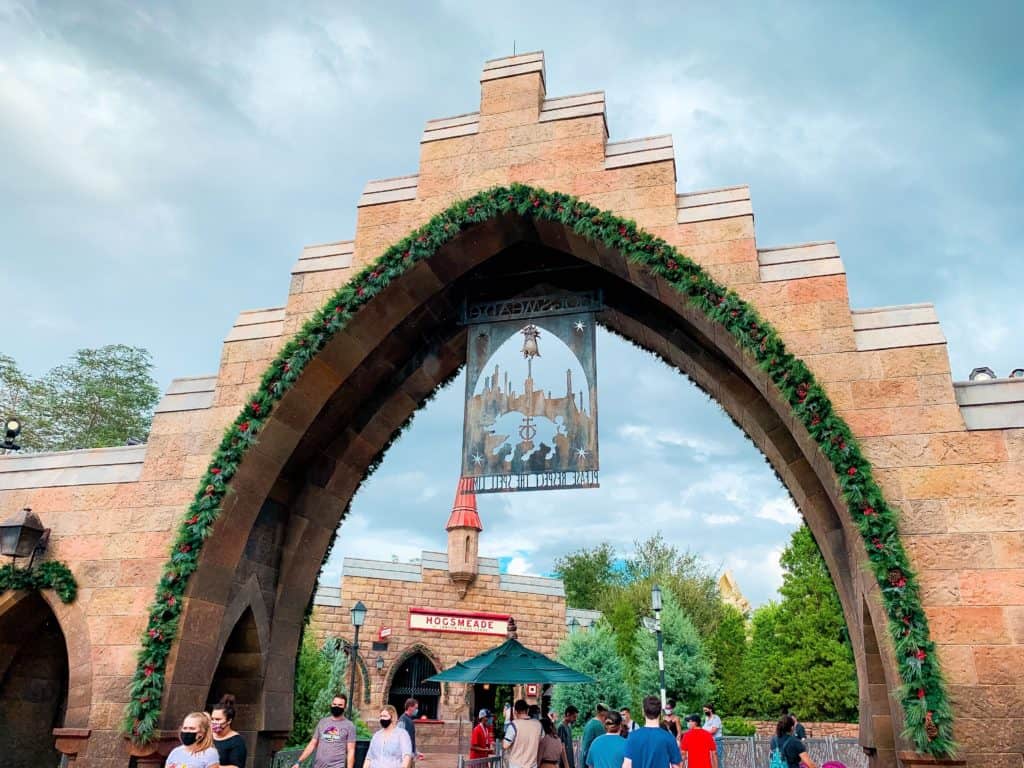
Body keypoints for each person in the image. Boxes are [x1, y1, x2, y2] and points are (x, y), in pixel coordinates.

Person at [293, 694, 356, 768]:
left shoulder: (349, 725)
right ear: (331, 704)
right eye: (334, 704)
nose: (336, 707)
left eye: (340, 705)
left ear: (345, 707)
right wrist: (298, 762)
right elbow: (312, 744)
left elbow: (351, 751)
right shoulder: (322, 722)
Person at [622, 696, 681, 768]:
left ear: (643, 712)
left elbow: (627, 765)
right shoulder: (669, 738)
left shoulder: (633, 736)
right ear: (660, 712)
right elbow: (676, 766)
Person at [503, 698, 544, 768]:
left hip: (515, 765)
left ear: (515, 712)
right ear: (527, 710)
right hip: (532, 765)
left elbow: (505, 745)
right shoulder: (538, 725)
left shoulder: (514, 725)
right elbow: (542, 742)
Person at [210, 694, 246, 768]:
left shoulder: (237, 742)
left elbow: (237, 766)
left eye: (218, 719)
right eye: (212, 719)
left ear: (229, 721)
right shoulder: (207, 735)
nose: (214, 722)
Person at [579, 703, 608, 768]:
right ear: (604, 712)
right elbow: (603, 747)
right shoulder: (598, 726)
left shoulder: (590, 723)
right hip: (590, 762)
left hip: (584, 758)